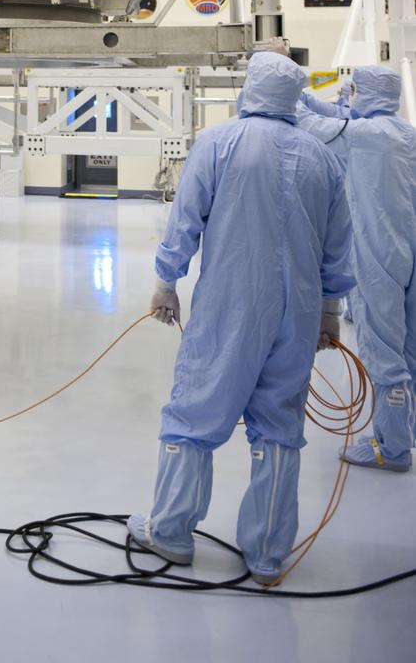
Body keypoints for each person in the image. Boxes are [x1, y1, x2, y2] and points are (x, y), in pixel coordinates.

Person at [128, 52, 354, 585]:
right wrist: (329, 313)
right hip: (296, 314)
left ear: (250, 88)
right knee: (278, 428)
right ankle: (269, 556)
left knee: (196, 411)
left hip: (230, 305)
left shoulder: (219, 143)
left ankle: (171, 531)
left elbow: (185, 219)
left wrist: (167, 282)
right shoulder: (322, 158)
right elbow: (338, 247)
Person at [299, 66, 416, 472]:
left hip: (379, 254)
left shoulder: (365, 137)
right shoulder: (403, 132)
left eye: (353, 90)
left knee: (383, 349)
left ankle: (393, 448)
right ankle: (406, 428)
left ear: (366, 93)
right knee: (409, 348)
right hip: (408, 252)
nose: (348, 97)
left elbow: (306, 120)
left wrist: (287, 74)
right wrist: (312, 92)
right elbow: (331, 115)